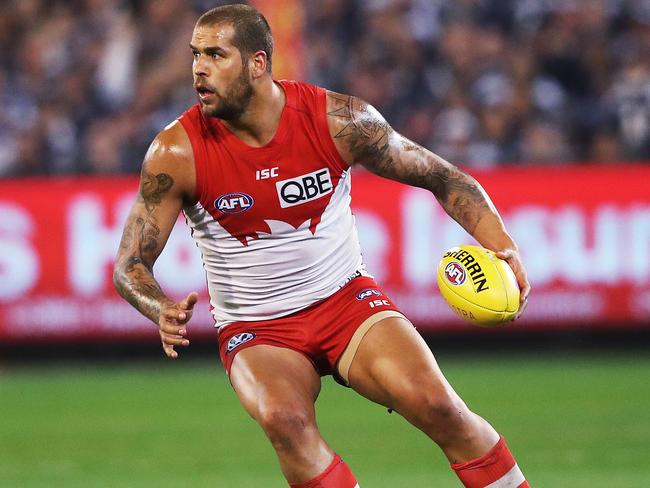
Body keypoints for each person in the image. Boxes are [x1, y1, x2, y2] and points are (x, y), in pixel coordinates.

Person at [113, 5, 531, 487]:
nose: (198, 68)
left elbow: (442, 177)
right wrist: (157, 305)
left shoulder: (338, 119)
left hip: (345, 302)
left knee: (442, 407)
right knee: (285, 423)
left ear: (257, 62)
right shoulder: (176, 151)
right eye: (195, 55)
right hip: (258, 327)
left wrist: (503, 245)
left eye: (215, 54)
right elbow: (130, 263)